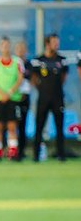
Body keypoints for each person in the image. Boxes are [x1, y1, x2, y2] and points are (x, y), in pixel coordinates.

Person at [30, 33, 69, 161]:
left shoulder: (61, 60)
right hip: (43, 98)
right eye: (54, 42)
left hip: (58, 98)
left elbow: (63, 78)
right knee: (39, 126)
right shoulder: (38, 60)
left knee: (59, 127)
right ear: (47, 44)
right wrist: (42, 89)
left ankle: (60, 154)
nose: (56, 45)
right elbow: (34, 78)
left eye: (57, 42)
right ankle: (36, 155)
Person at [0, 36, 25, 161]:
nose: (5, 47)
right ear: (0, 47)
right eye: (3, 45)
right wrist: (2, 94)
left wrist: (9, 93)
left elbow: (20, 79)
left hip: (13, 98)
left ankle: (12, 152)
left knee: (11, 126)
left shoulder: (17, 62)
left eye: (7, 45)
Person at [13, 39, 33, 160]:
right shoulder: (12, 63)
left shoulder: (29, 64)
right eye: (18, 49)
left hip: (24, 98)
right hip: (13, 97)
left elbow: (31, 80)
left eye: (23, 49)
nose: (21, 51)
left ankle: (21, 151)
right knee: (10, 125)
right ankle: (10, 150)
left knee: (22, 126)